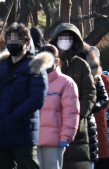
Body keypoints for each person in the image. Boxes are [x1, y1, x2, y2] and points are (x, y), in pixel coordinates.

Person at [0, 23, 49, 168]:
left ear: (27, 43)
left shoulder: (35, 66)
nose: (13, 44)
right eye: (10, 40)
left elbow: (37, 99)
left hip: (23, 132)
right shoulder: (2, 66)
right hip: (2, 134)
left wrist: (13, 117)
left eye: (17, 40)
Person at [51, 23, 97, 168]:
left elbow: (90, 92)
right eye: (62, 38)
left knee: (75, 162)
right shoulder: (49, 64)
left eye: (69, 39)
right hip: (51, 123)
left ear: (75, 42)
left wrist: (79, 114)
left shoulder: (81, 64)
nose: (65, 42)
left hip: (77, 126)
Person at [35, 45, 78, 169]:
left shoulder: (66, 82)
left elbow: (71, 112)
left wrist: (66, 137)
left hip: (55, 142)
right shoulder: (31, 81)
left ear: (57, 60)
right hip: (33, 140)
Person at [89, 46, 109, 168]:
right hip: (88, 121)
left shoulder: (103, 79)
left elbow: (106, 102)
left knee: (100, 156)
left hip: (99, 121)